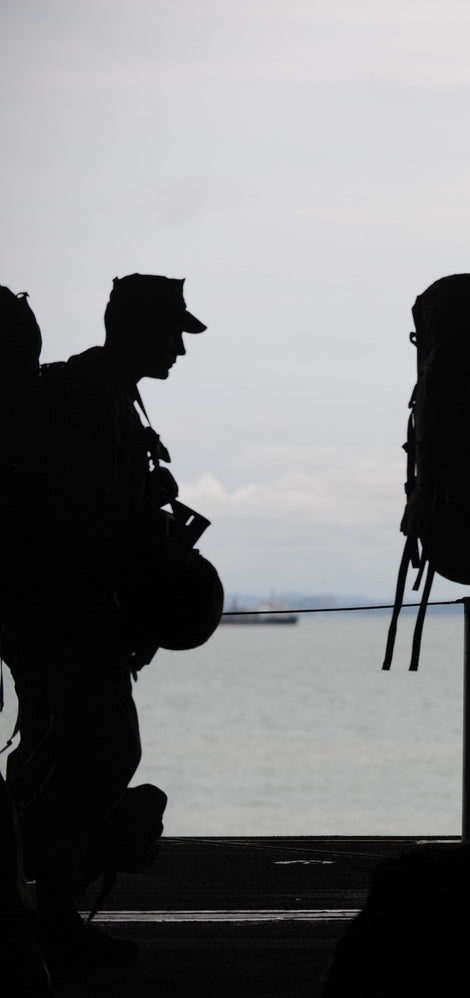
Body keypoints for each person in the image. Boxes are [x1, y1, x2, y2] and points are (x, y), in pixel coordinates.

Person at [1, 274, 205, 968]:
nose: (180, 347)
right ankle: (35, 900)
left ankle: (45, 918)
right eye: (173, 331)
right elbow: (82, 525)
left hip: (51, 614)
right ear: (135, 328)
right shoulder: (94, 404)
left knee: (54, 756)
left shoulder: (102, 395)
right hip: (69, 614)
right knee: (105, 754)